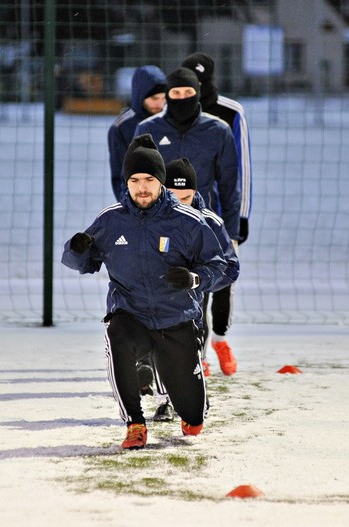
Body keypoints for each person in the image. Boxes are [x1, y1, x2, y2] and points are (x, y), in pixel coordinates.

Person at [61, 134, 230, 450]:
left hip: (175, 319)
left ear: (161, 182)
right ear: (126, 183)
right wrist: (76, 249)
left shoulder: (188, 222)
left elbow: (219, 267)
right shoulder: (111, 220)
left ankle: (186, 399)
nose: (141, 187)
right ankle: (135, 424)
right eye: (134, 179)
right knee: (117, 333)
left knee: (193, 420)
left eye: (149, 179)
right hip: (131, 313)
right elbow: (80, 263)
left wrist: (193, 279)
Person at [136, 65, 241, 376]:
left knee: (200, 290)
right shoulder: (149, 129)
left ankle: (199, 356)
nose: (181, 98)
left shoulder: (217, 130)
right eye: (175, 93)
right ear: (168, 95)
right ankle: (150, 358)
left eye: (188, 93)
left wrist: (232, 231)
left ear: (198, 93)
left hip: (200, 225)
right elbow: (133, 179)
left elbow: (229, 184)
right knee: (155, 289)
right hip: (156, 224)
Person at [149, 158, 241, 420]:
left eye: (186, 198)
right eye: (173, 197)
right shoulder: (148, 219)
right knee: (159, 343)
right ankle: (164, 399)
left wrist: (198, 279)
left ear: (197, 193)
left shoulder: (211, 222)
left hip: (194, 299)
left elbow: (231, 268)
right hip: (158, 298)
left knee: (192, 343)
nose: (180, 204)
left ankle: (196, 393)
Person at [181, 52, 253, 377]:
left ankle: (221, 340)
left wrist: (241, 218)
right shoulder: (176, 114)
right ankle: (199, 353)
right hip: (184, 215)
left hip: (222, 217)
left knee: (223, 282)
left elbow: (242, 168)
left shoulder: (230, 112)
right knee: (192, 285)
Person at [107, 65, 166, 202]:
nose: (160, 104)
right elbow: (120, 176)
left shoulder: (169, 120)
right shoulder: (121, 128)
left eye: (163, 98)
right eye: (154, 98)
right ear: (140, 94)